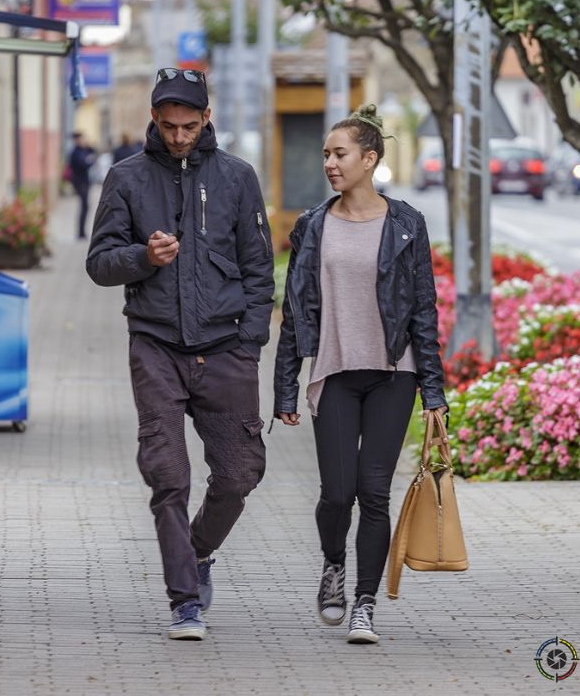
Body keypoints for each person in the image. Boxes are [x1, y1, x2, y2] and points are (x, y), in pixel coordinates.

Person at [85, 68, 275, 641]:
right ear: (153, 120)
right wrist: (144, 257)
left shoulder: (239, 178)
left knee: (241, 473)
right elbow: (98, 264)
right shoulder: (125, 178)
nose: (178, 137)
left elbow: (260, 268)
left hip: (225, 348)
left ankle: (196, 553)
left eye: (189, 126)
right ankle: (184, 600)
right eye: (168, 126)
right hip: (156, 345)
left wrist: (251, 343)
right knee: (168, 474)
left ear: (207, 118)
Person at [272, 104, 447, 644]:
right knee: (336, 493)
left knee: (373, 493)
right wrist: (284, 386)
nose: (329, 162)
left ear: (369, 159)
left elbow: (424, 309)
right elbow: (295, 307)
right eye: (326, 153)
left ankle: (365, 604)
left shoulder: (406, 224)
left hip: (394, 374)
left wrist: (434, 393)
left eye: (339, 153)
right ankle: (333, 566)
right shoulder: (312, 225)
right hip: (335, 372)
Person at [67, 132, 96, 239]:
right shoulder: (76, 152)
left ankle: (82, 232)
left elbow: (93, 152)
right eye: (82, 139)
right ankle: (80, 232)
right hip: (80, 182)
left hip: (85, 181)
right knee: (84, 206)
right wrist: (89, 161)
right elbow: (83, 164)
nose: (83, 141)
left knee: (85, 206)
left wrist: (88, 145)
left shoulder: (84, 149)